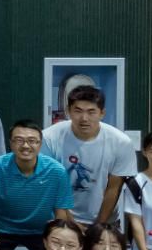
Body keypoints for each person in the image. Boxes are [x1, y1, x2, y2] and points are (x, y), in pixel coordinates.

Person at [0, 120, 73, 250]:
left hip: (42, 232)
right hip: (2, 230)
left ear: (40, 144)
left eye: (32, 141)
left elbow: (61, 213)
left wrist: (57, 244)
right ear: (11, 143)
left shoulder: (57, 171)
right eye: (19, 140)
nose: (26, 146)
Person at [43, 84, 138, 227]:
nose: (84, 118)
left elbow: (113, 189)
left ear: (102, 113)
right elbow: (50, 185)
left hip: (105, 221)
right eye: (78, 111)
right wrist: (70, 223)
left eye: (91, 112)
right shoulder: (50, 137)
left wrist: (99, 226)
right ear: (68, 111)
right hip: (60, 218)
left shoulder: (121, 142)